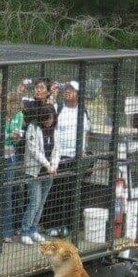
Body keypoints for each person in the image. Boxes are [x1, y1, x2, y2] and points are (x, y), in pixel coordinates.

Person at [45, 80, 91, 237]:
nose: (68, 91)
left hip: (76, 157)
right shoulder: (58, 108)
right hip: (59, 157)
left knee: (71, 192)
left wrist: (83, 149)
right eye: (67, 89)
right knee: (55, 192)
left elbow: (86, 132)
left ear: (78, 94)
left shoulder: (84, 112)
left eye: (72, 90)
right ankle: (52, 224)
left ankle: (67, 225)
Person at [21, 104, 59, 245]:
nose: (49, 122)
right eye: (47, 119)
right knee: (34, 202)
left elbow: (57, 150)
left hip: (49, 172)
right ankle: (25, 231)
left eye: (51, 119)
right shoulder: (33, 128)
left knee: (41, 202)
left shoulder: (55, 129)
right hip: (34, 172)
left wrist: (54, 165)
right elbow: (33, 150)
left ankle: (33, 229)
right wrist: (47, 165)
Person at [0, 97, 25, 243]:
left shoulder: (19, 115)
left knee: (9, 193)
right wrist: (10, 136)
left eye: (18, 106)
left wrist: (17, 137)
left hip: (11, 156)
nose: (15, 109)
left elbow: (17, 138)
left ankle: (7, 231)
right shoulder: (0, 114)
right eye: (13, 105)